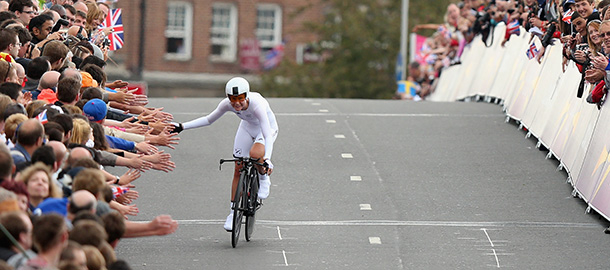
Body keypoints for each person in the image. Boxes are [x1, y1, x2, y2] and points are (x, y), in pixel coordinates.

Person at [171, 77, 278, 231]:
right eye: (233, 99)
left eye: (240, 99)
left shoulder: (257, 105)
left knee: (255, 154)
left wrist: (267, 158)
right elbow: (208, 120)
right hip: (247, 128)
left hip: (266, 130)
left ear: (246, 96)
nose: (236, 103)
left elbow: (268, 135)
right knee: (238, 168)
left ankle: (263, 177)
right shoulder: (227, 104)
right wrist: (182, 126)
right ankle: (232, 212)